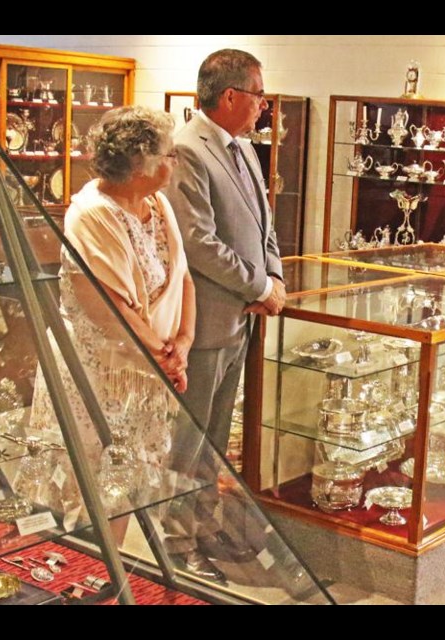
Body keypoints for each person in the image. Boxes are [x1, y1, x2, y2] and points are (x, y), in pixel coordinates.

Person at [30, 105, 195, 526]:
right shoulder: (92, 213)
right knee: (86, 486)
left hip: (146, 372)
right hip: (97, 375)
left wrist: (184, 345)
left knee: (127, 484)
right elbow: (110, 309)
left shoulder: (158, 204)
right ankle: (76, 576)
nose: (174, 161)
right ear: (140, 163)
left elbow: (184, 279)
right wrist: (164, 357)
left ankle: (112, 578)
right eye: (169, 154)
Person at [162, 48, 285, 581]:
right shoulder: (187, 150)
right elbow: (199, 243)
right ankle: (173, 542)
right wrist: (258, 284)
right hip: (207, 323)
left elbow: (264, 226)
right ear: (231, 95)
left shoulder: (245, 149)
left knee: (216, 437)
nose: (264, 105)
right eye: (259, 95)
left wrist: (274, 277)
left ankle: (205, 528)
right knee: (188, 441)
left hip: (241, 318)